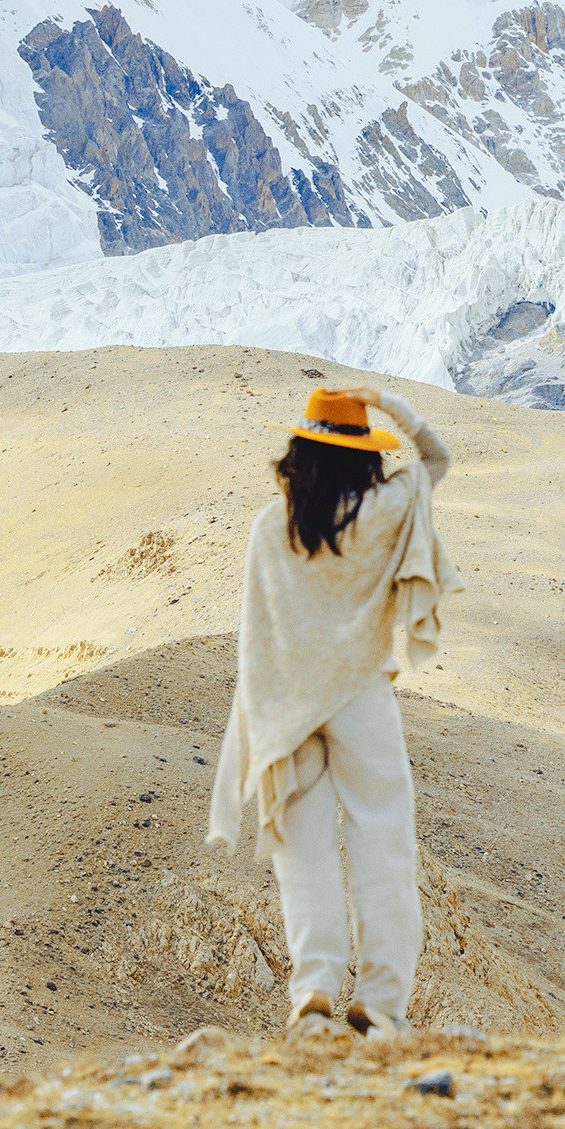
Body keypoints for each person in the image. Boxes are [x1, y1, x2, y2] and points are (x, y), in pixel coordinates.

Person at [207, 382, 460, 1039]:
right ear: (363, 457)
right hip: (358, 697)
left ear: (300, 451)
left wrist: (261, 715)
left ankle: (313, 991)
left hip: (288, 704)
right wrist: (387, 404)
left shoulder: (272, 525)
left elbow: (256, 631)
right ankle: (379, 999)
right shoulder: (382, 508)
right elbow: (436, 459)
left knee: (304, 852)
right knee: (382, 836)